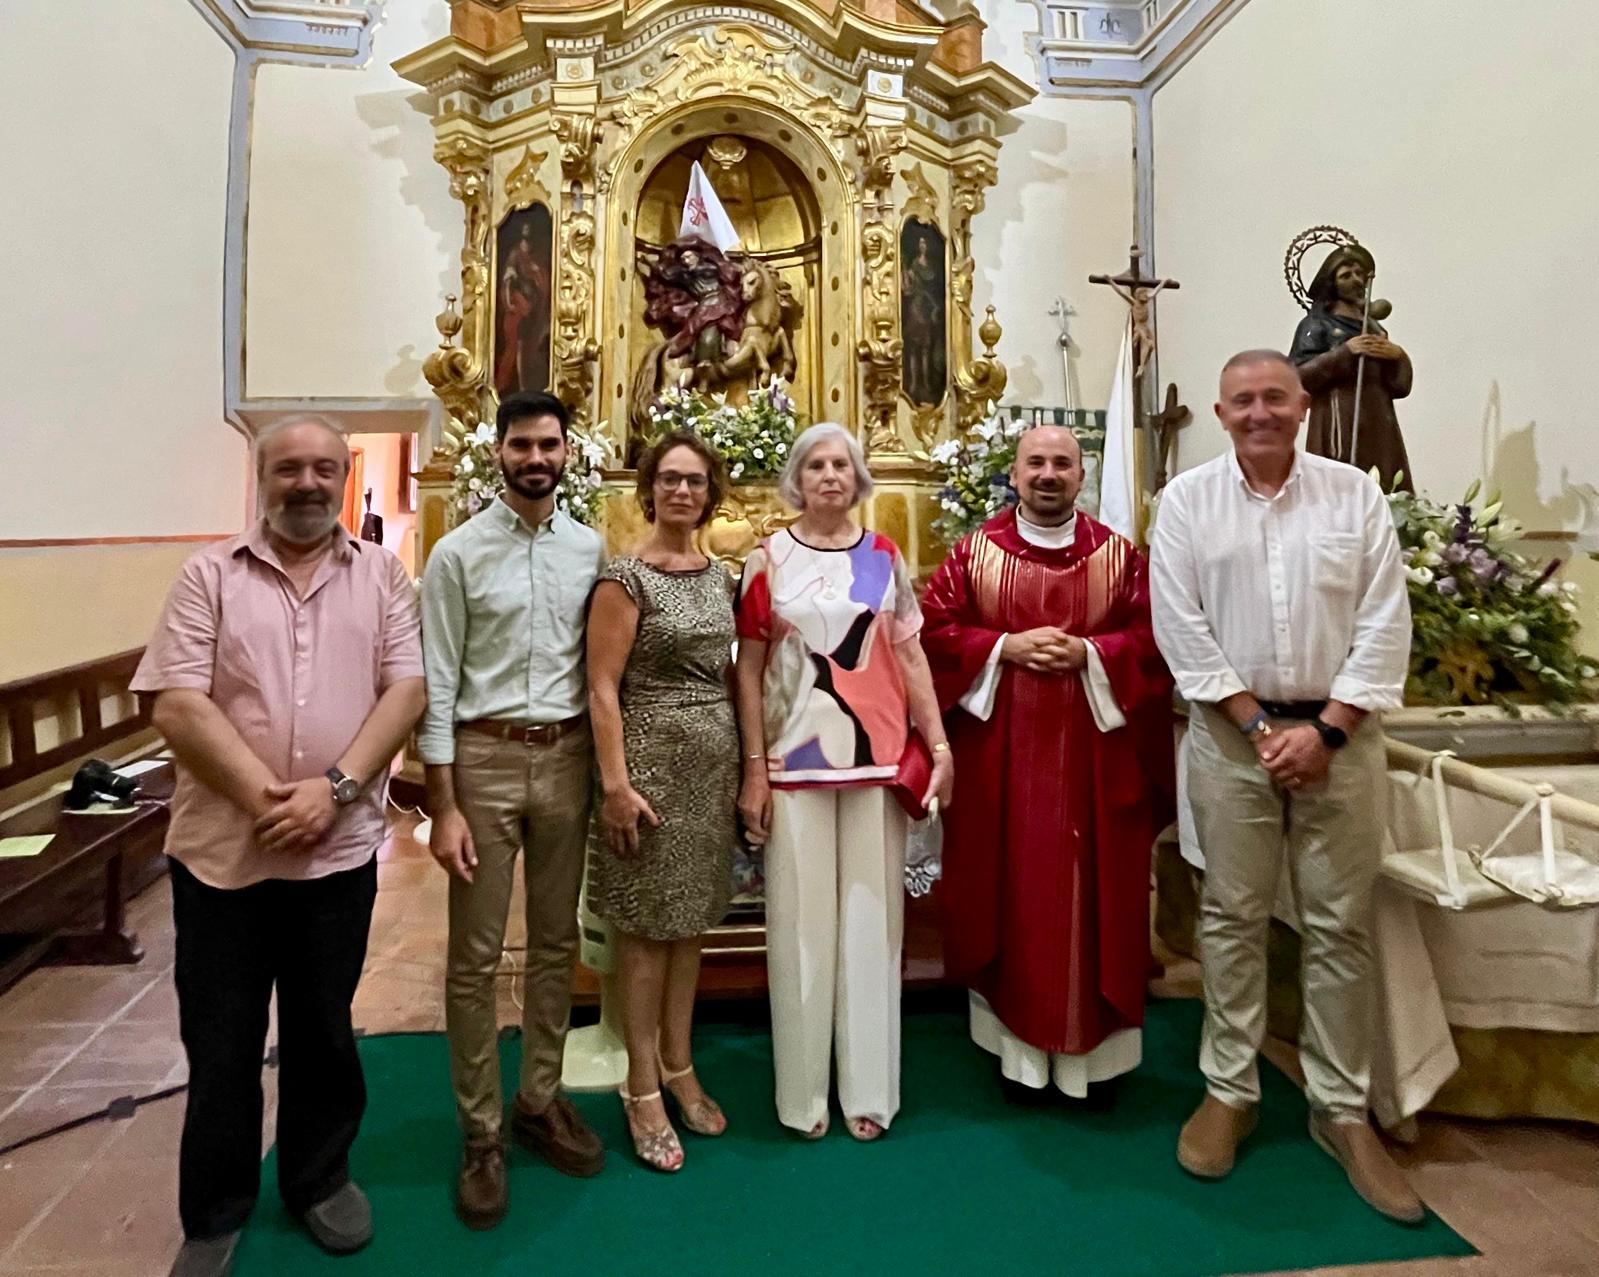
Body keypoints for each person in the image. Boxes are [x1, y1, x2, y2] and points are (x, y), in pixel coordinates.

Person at [133, 415, 426, 1277]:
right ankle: (216, 1206)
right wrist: (273, 801)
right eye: (289, 467)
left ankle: (317, 1178)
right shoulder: (207, 576)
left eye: (323, 468)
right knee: (220, 1040)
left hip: (334, 857)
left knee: (323, 1029)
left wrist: (331, 794)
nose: (307, 482)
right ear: (261, 476)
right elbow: (176, 703)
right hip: (224, 855)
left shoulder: (379, 575)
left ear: (343, 476)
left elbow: (404, 687)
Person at [1149, 350, 1421, 1224]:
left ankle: (1340, 1108)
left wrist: (1327, 728)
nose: (1258, 412)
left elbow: (1385, 617)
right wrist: (1262, 726)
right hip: (1234, 741)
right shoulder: (1188, 501)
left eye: (1274, 397)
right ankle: (1229, 1089)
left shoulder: (1354, 495)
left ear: (1302, 405)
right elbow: (1178, 623)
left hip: (1343, 736)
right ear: (1222, 413)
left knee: (1341, 923)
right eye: (1242, 401)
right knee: (1230, 917)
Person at [920, 425, 1173, 1098]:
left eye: (1061, 462)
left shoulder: (1120, 558)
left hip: (1098, 768)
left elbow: (1155, 643)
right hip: (1000, 766)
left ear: (1081, 474)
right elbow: (930, 634)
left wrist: (1090, 655)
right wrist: (1004, 648)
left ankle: (1100, 1060)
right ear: (1014, 471)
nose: (1048, 474)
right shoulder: (974, 555)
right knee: (1009, 891)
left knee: (1095, 898)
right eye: (1036, 462)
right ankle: (1017, 1055)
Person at [733, 422, 954, 1142]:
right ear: (797, 478)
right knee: (797, 928)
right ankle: (801, 1096)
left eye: (841, 464)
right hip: (794, 759)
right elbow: (749, 667)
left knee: (871, 925)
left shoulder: (883, 557)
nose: (829, 474)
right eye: (816, 464)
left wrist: (939, 741)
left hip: (878, 759)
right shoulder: (768, 558)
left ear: (858, 478)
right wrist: (754, 765)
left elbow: (911, 656)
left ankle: (869, 1090)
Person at [418, 391, 607, 1229]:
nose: (537, 457)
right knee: (476, 952)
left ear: (568, 454)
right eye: (522, 444)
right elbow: (438, 681)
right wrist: (443, 803)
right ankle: (481, 1131)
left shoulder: (589, 548)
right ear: (498, 453)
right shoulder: (456, 554)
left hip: (566, 757)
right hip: (485, 757)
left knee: (557, 942)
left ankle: (538, 1097)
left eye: (549, 445)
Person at [586, 430, 739, 1173]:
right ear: (649, 490)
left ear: (712, 493)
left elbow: (735, 672)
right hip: (646, 766)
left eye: (696, 481)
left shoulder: (721, 575)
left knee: (691, 923)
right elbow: (601, 686)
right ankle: (640, 1082)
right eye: (670, 480)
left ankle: (679, 1062)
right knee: (647, 930)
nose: (683, 492)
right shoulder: (625, 578)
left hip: (709, 766)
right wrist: (615, 784)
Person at [1289, 243, 1414, 492]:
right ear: (1331, 283)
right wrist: (1345, 352)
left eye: (1360, 274)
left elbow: (1399, 386)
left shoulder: (1374, 327)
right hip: (1338, 418)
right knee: (1341, 482)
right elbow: (1295, 378)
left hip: (1379, 419)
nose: (1356, 280)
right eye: (1346, 275)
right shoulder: (1316, 325)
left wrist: (1397, 357)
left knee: (1386, 479)